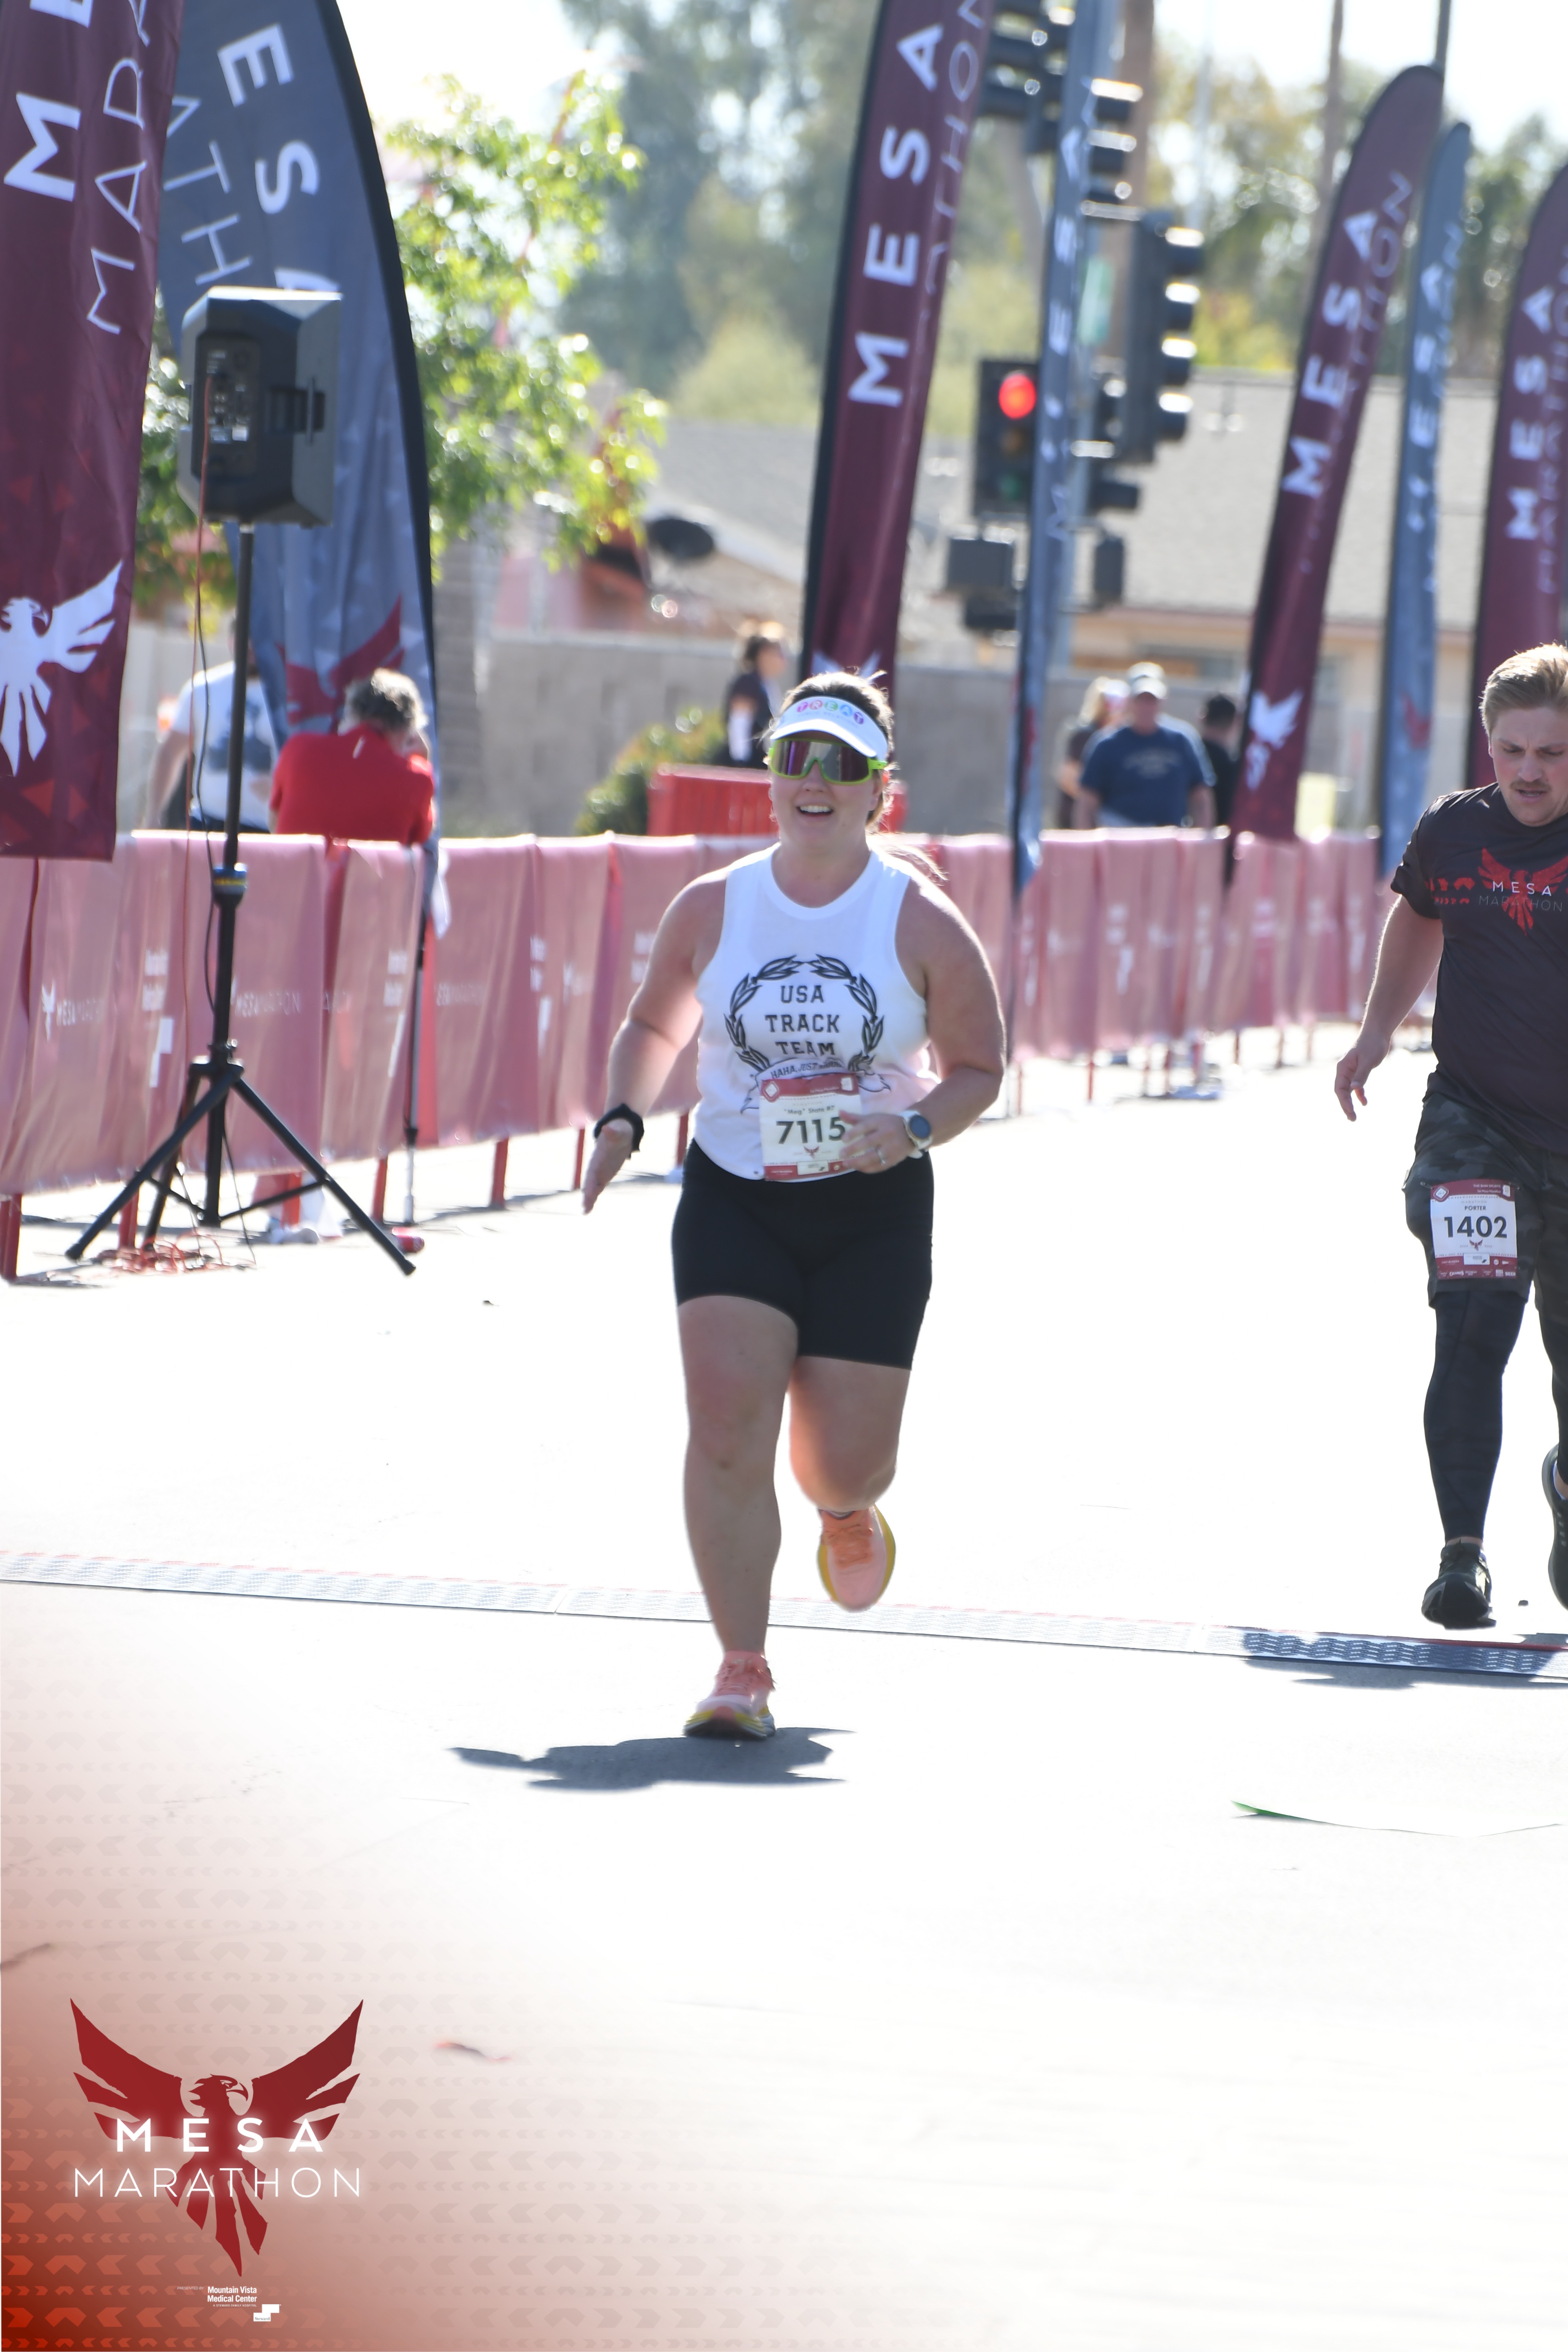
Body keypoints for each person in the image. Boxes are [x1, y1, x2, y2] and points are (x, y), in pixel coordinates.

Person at [582, 672, 1006, 1738]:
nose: (815, 780)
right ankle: (741, 1668)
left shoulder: (920, 920)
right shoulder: (712, 905)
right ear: (769, 776)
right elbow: (653, 1025)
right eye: (795, 758)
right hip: (736, 1194)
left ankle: (846, 1507)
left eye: (841, 764)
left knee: (843, 1459)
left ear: (878, 791)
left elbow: (977, 1068)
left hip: (871, 1207)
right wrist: (623, 1116)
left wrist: (911, 1129)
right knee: (726, 1425)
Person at [1334, 642, 1568, 1630]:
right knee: (1472, 1326)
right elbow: (1416, 918)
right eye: (1512, 750)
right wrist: (1374, 1032)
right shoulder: (1452, 831)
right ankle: (1460, 1555)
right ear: (1487, 745)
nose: (1528, 771)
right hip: (1475, 1123)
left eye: (1551, 752)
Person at [270, 669, 435, 844]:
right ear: (406, 732)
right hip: (371, 864)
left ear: (352, 714)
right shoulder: (417, 776)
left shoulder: (298, 748)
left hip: (294, 862)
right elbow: (421, 839)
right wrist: (421, 764)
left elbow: (275, 821)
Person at [145, 632, 276, 833]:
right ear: (232, 640)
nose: (251, 647)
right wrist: (154, 815)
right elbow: (170, 753)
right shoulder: (204, 687)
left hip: (268, 829)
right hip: (207, 824)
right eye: (246, 637)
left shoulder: (293, 693)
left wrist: (281, 788)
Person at [1074, 661, 1216, 830]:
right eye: (1140, 699)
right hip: (1120, 837)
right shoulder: (1106, 745)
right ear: (1129, 701)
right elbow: (1087, 803)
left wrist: (1200, 839)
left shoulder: (1182, 741)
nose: (1146, 706)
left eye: (1152, 700)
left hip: (1169, 838)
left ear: (1163, 700)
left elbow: (1201, 798)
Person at [1054, 676, 1125, 830]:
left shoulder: (1122, 740)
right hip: (1074, 821)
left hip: (1107, 822)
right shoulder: (1085, 736)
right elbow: (1068, 779)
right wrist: (1095, 803)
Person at [721, 623, 789, 767]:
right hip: (746, 764)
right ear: (764, 653)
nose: (784, 659)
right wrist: (741, 766)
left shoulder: (768, 685)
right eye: (779, 653)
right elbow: (739, 728)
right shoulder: (747, 683)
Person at [1199, 691, 1241, 832]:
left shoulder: (1189, 754)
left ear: (1203, 718)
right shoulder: (1233, 766)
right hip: (1221, 837)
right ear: (1235, 722)